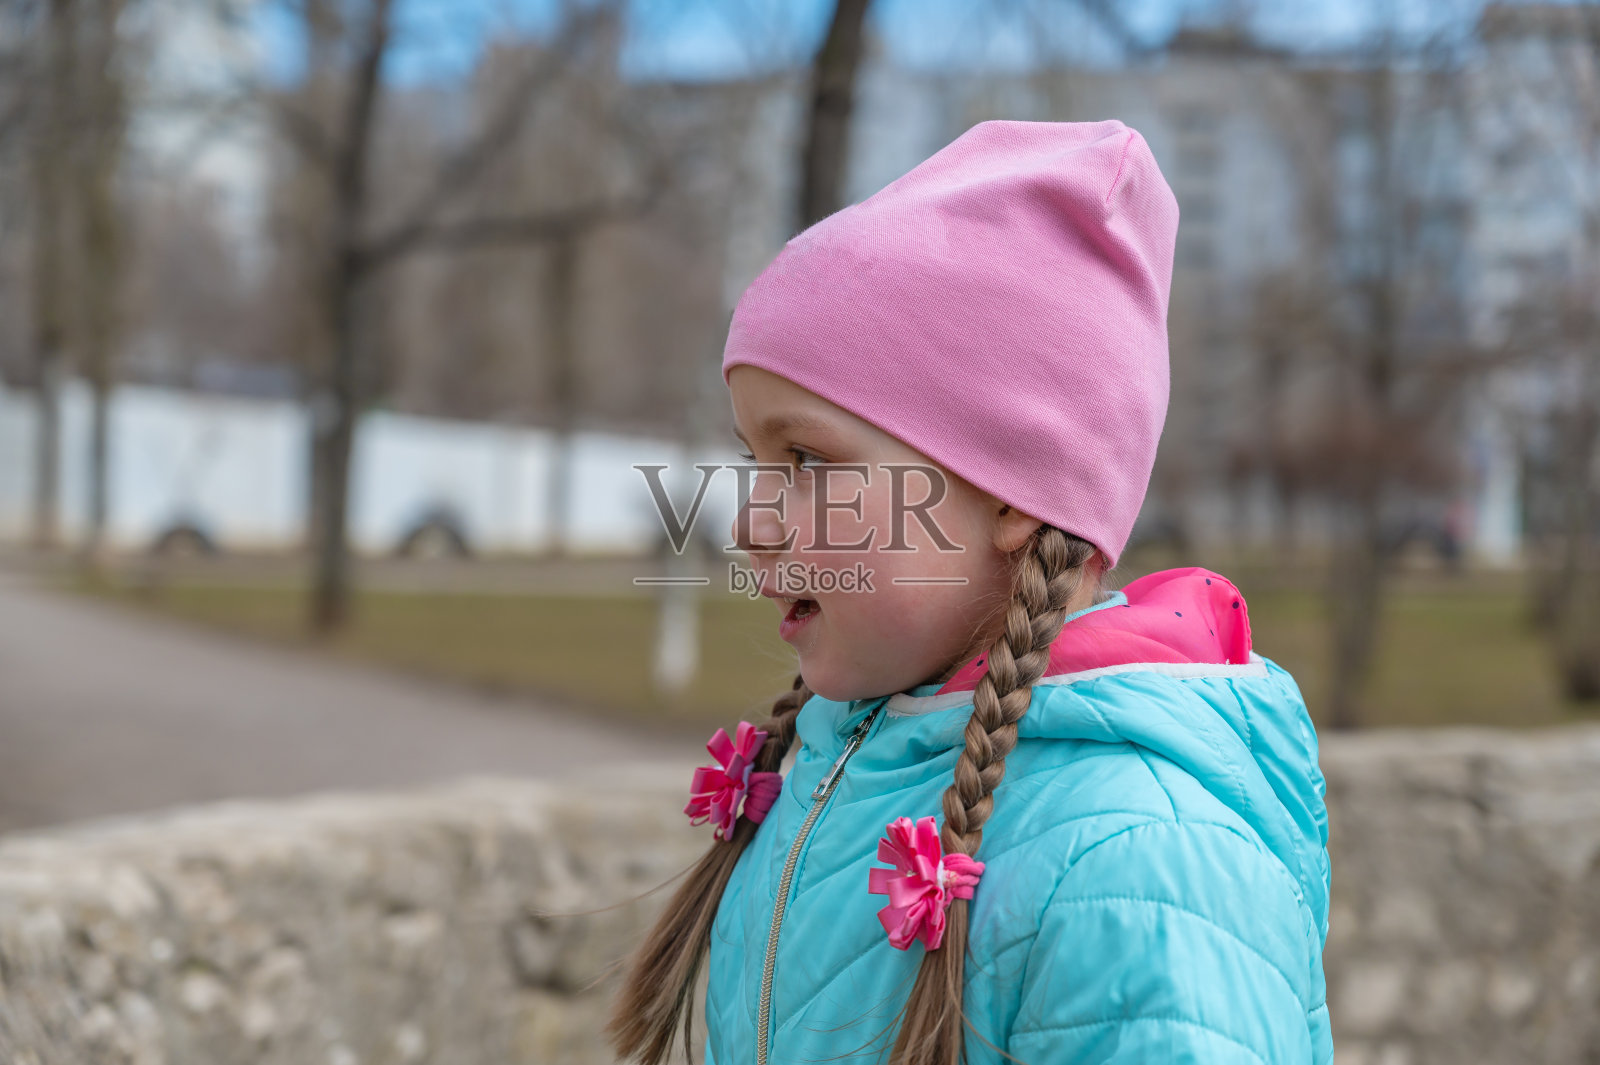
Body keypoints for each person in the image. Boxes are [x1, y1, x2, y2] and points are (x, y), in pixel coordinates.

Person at [605, 119, 1333, 1065]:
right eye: (755, 458)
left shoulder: (1138, 868)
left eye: (807, 460)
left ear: (1014, 498)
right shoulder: (844, 773)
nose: (751, 520)